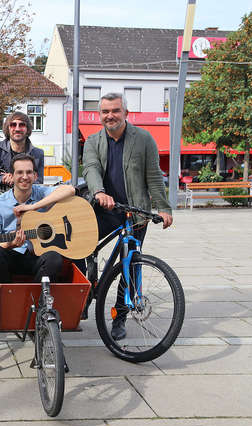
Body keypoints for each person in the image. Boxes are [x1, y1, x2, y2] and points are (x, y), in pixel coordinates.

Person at [82, 92, 172, 341]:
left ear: (125, 113)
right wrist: (99, 192)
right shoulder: (93, 141)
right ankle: (81, 295)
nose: (110, 115)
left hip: (135, 212)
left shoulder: (143, 139)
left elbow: (154, 175)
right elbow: (90, 168)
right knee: (78, 247)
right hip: (104, 209)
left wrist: (163, 208)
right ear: (99, 115)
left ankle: (119, 317)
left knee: (130, 265)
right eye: (105, 111)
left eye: (115, 110)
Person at [0, 153, 75, 284]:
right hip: (11, 257)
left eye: (29, 172)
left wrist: (33, 207)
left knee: (54, 258)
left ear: (35, 176)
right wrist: (10, 244)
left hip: (38, 257)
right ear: (11, 176)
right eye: (20, 172)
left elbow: (70, 189)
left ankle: (40, 300)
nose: (25, 177)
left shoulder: (42, 192)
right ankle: (10, 296)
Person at [0, 112, 45, 231]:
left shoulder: (38, 154)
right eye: (13, 125)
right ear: (8, 128)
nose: (17, 129)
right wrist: (1, 178)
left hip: (24, 208)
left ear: (27, 129)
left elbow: (38, 182)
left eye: (21, 125)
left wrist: (17, 179)